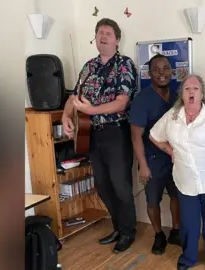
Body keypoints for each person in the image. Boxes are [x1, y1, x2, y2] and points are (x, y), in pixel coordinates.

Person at [61, 18, 138, 253]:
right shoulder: (88, 67)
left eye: (108, 33)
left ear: (117, 39)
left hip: (116, 133)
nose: (103, 36)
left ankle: (128, 231)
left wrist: (89, 110)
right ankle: (117, 227)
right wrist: (66, 116)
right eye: (99, 33)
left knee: (120, 185)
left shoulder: (125, 65)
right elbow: (74, 98)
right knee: (103, 186)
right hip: (91, 134)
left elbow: (121, 103)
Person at [149, 74, 205, 270]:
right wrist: (170, 150)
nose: (191, 92)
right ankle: (188, 259)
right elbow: (154, 135)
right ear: (181, 93)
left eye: (195, 89)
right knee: (188, 224)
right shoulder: (172, 116)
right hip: (185, 180)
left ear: (201, 93)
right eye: (187, 88)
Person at [128, 54, 181, 255]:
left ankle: (176, 231)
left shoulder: (177, 97)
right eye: (157, 69)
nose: (162, 73)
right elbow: (135, 136)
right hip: (152, 160)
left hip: (175, 160)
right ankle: (159, 235)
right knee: (153, 201)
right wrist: (143, 164)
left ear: (172, 71)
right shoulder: (143, 100)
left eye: (165, 68)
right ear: (149, 74)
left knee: (177, 197)